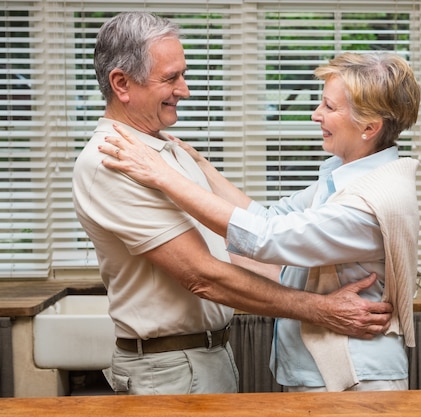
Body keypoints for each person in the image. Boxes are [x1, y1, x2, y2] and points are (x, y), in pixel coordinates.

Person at [72, 12, 393, 396]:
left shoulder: (163, 152)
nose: (185, 90)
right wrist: (319, 309)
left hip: (208, 354)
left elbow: (238, 241)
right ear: (121, 83)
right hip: (169, 368)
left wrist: (200, 166)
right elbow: (201, 275)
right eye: (171, 78)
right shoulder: (112, 160)